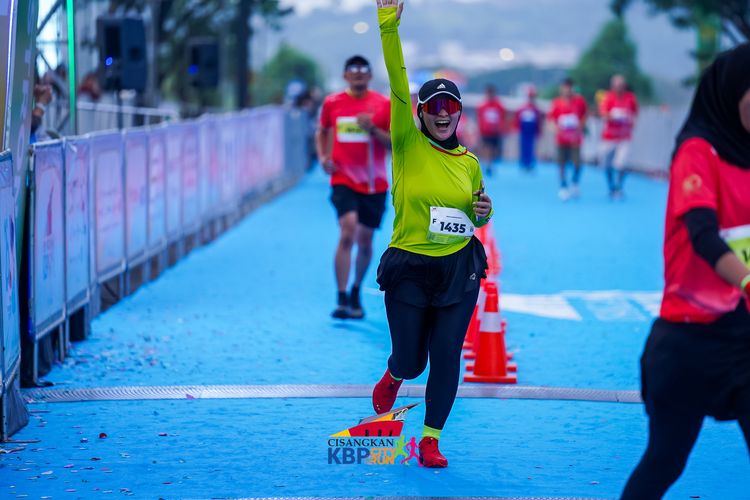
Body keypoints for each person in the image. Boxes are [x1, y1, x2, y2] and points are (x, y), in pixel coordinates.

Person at [621, 43, 750, 499]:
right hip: (688, 341)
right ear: (733, 91)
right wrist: (747, 279)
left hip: (743, 336)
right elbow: (703, 235)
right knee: (665, 461)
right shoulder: (698, 152)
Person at [373, 0, 493, 468]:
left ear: (459, 113)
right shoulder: (407, 143)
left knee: (446, 354)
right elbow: (397, 79)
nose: (443, 114)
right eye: (434, 106)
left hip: (458, 267)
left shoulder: (470, 162)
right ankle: (394, 374)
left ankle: (430, 439)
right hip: (409, 263)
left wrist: (484, 212)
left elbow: (477, 213)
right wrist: (388, 24)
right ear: (420, 112)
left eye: (451, 106)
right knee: (412, 360)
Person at [316, 55, 391, 320]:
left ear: (370, 75)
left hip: (374, 183)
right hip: (343, 179)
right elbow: (322, 130)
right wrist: (323, 157)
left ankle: (356, 290)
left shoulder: (383, 104)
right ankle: (341, 297)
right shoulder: (332, 103)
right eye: (353, 70)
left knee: (365, 240)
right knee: (347, 230)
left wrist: (373, 130)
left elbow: (393, 143)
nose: (358, 73)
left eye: (363, 70)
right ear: (345, 75)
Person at [599, 74, 638, 200]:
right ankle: (611, 185)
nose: (619, 88)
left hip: (624, 137)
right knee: (606, 164)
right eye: (617, 85)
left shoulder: (630, 98)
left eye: (621, 85)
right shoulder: (607, 97)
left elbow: (635, 114)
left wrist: (629, 119)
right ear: (612, 86)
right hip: (609, 137)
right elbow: (603, 114)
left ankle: (619, 186)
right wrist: (613, 116)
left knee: (622, 163)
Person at [548, 78, 587, 200]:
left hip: (575, 138)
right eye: (564, 88)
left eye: (569, 88)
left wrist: (580, 125)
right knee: (561, 163)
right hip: (561, 139)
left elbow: (585, 116)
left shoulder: (579, 101)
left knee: (577, 163)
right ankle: (563, 186)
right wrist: (556, 128)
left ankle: (575, 181)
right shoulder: (556, 103)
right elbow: (551, 120)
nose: (567, 90)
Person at [476, 84, 506, 176]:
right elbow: (480, 118)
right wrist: (480, 129)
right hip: (486, 132)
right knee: (487, 148)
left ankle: (491, 163)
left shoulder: (499, 106)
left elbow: (503, 117)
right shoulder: (482, 106)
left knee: (494, 150)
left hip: (495, 132)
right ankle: (487, 164)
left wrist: (501, 128)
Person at [515, 86, 543, 172]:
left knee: (531, 148)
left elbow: (538, 121)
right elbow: (518, 120)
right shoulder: (522, 108)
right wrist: (517, 129)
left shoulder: (536, 109)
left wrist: (539, 131)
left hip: (532, 132)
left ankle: (530, 163)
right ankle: (524, 163)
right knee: (523, 147)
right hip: (524, 132)